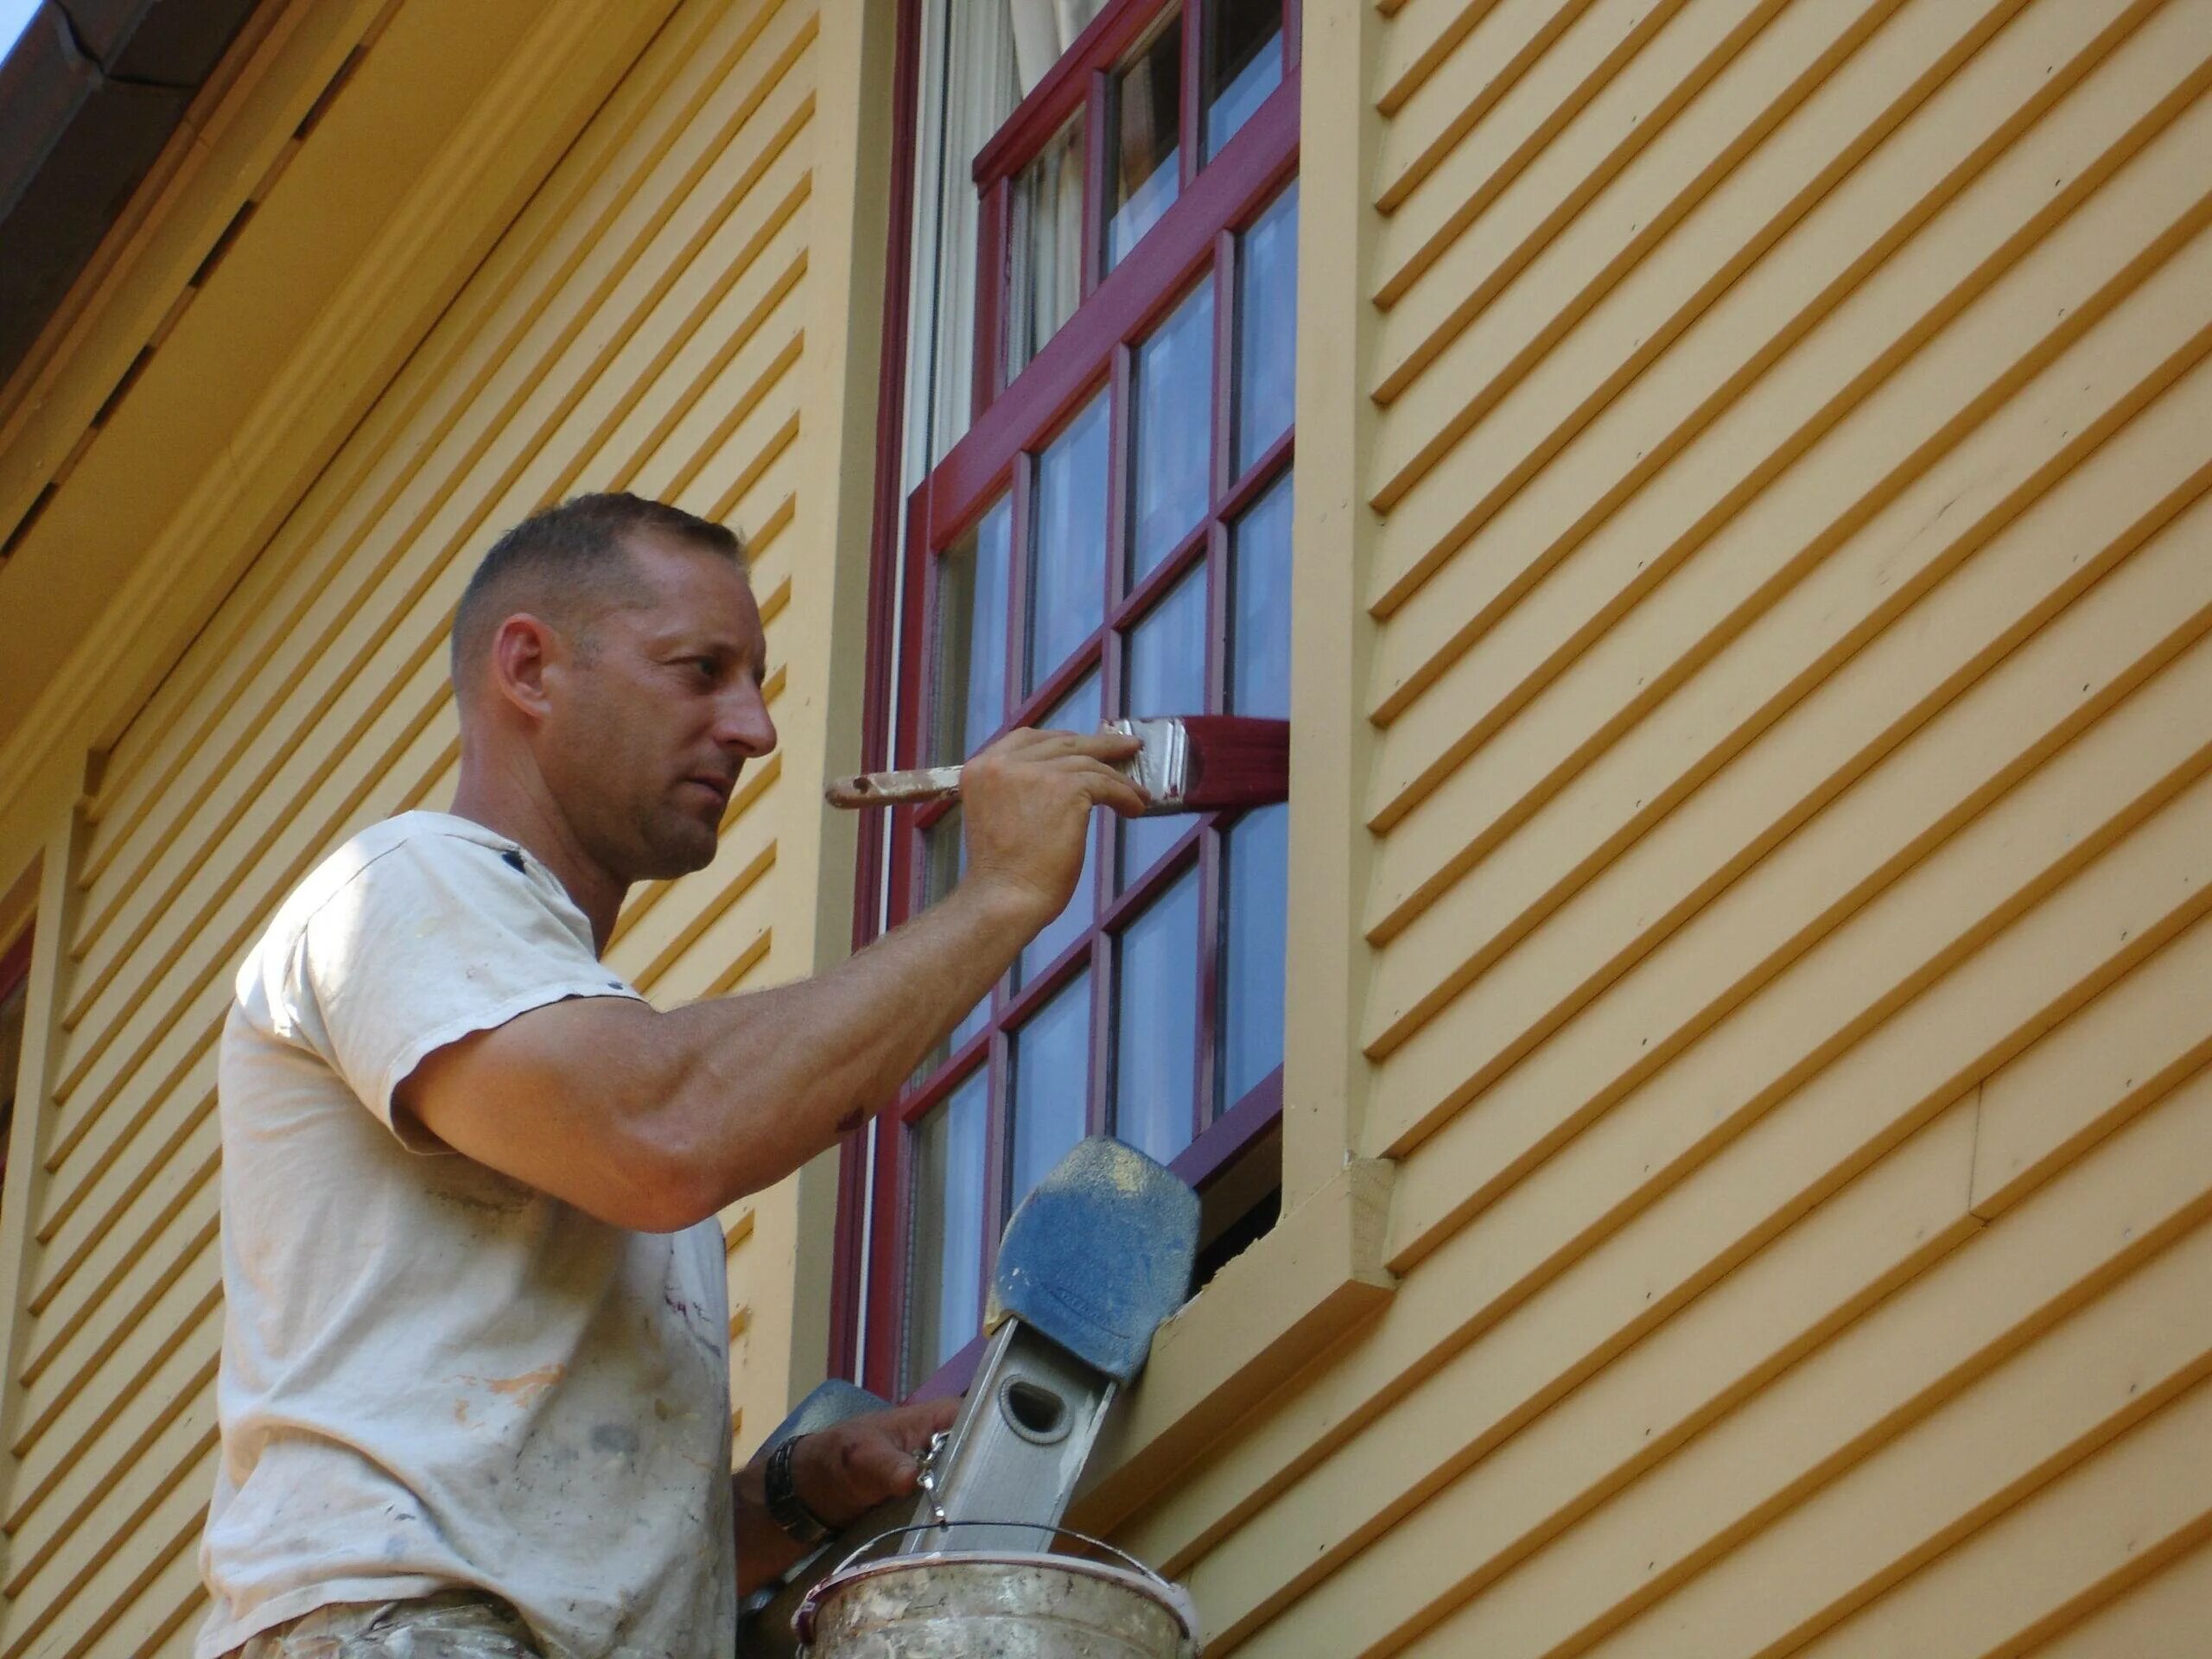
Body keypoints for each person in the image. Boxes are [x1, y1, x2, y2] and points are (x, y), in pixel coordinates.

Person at [198, 493, 1147, 1659]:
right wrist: (999, 896)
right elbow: (669, 1133)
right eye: (701, 671)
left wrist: (793, 1495)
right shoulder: (401, 888)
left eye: (754, 682)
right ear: (532, 670)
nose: (754, 728)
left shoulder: (568, 1048)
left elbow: (562, 1526)